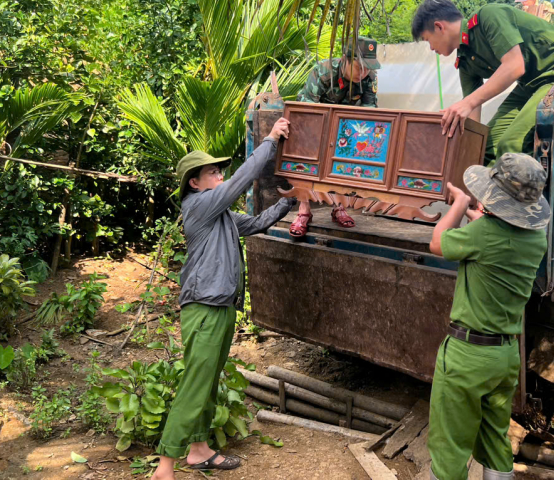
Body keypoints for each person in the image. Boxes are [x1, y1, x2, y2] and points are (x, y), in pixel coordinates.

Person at [151, 118, 295, 480]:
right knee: (195, 383)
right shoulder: (198, 207)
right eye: (212, 173)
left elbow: (258, 223)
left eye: (218, 171)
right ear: (195, 183)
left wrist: (291, 202)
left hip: (221, 307)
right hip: (204, 307)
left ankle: (199, 451)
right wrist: (270, 142)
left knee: (208, 380)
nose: (218, 176)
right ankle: (164, 465)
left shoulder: (223, 217)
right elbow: (239, 182)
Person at [426, 153, 550, 480]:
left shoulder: (483, 236)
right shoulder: (536, 237)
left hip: (468, 356)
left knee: (449, 444)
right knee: (495, 438)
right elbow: (498, 232)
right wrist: (476, 213)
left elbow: (437, 242)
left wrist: (459, 203)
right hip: (505, 356)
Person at [411, 0, 554, 165]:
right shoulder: (464, 61)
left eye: (428, 40)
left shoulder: (488, 16)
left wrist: (466, 103)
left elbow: (515, 66)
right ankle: (477, 195)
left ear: (439, 27)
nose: (432, 48)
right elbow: (473, 118)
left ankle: (510, 195)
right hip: (529, 86)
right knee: (486, 148)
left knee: (511, 145)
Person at [289, 36, 381, 237]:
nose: (364, 72)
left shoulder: (369, 78)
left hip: (346, 126)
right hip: (314, 124)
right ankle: (304, 210)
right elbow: (306, 108)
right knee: (305, 152)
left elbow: (370, 112)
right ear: (344, 59)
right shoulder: (323, 71)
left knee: (349, 152)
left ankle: (339, 206)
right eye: (359, 67)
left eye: (368, 68)